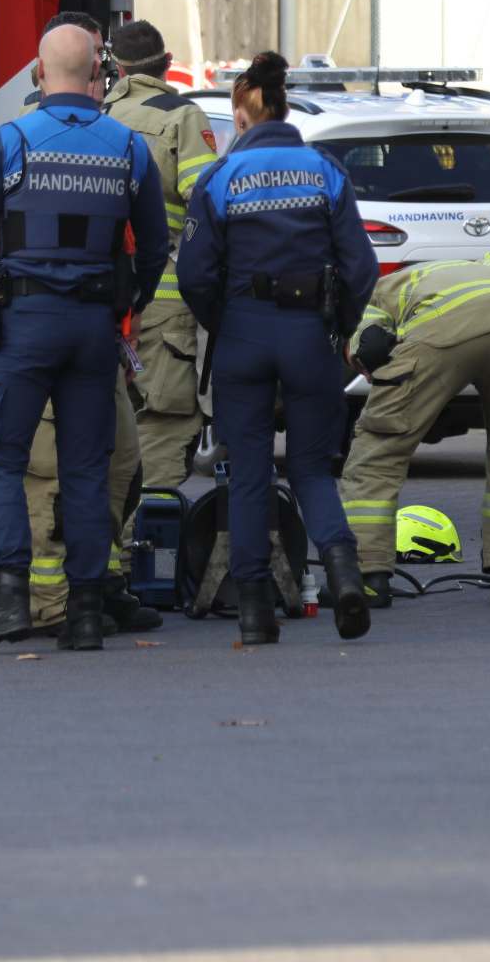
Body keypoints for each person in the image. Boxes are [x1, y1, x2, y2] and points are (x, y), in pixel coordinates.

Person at [0, 24, 169, 652]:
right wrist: (127, 308)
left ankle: (10, 600)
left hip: (24, 327)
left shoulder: (10, 141)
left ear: (38, 73)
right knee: (84, 468)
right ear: (98, 73)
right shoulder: (128, 148)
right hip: (95, 330)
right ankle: (86, 615)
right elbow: (154, 250)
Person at [178, 52, 380, 645]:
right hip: (309, 336)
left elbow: (193, 274)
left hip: (242, 333)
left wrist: (223, 319)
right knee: (314, 470)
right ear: (285, 108)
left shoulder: (219, 178)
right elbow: (361, 267)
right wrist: (341, 329)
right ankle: (344, 576)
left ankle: (255, 613)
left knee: (248, 475)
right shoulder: (325, 172)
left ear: (241, 117)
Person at [15, 12, 160, 637]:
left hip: (106, 335)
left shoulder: (116, 138)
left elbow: (142, 243)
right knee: (53, 475)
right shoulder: (32, 137)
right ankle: (55, 603)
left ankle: (103, 582)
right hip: (56, 331)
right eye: (93, 56)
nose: (100, 69)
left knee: (122, 465)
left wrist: (129, 311)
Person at [339, 238, 490, 609]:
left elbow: (369, 345)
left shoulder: (371, 297)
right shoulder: (480, 266)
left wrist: (380, 372)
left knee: (378, 450)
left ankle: (368, 577)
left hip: (445, 327)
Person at [100, 19, 217, 491]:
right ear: (168, 65)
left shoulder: (91, 113)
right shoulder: (182, 116)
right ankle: (143, 548)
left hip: (99, 296)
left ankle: (104, 545)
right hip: (163, 300)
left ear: (114, 68)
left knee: (102, 420)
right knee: (163, 423)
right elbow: (207, 204)